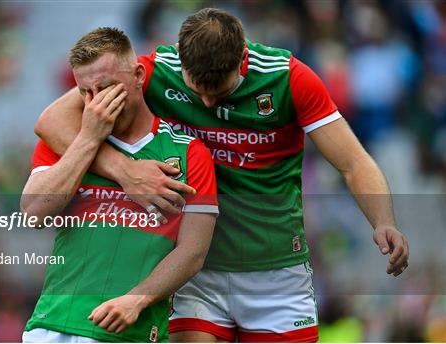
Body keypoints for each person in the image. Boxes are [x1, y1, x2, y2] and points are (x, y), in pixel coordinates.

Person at [34, 8, 410, 343]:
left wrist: (382, 221)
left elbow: (353, 162)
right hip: (195, 272)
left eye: (220, 91)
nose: (210, 104)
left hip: (275, 270)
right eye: (198, 92)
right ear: (180, 60)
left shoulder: (288, 79)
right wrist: (126, 171)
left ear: (242, 58)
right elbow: (53, 122)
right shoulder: (154, 69)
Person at [21, 27, 218, 343]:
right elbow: (32, 214)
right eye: (86, 92)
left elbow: (193, 253)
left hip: (130, 332)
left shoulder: (187, 153)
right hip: (51, 326)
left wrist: (138, 298)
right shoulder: (69, 141)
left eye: (109, 87)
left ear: (139, 75)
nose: (98, 103)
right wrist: (88, 138)